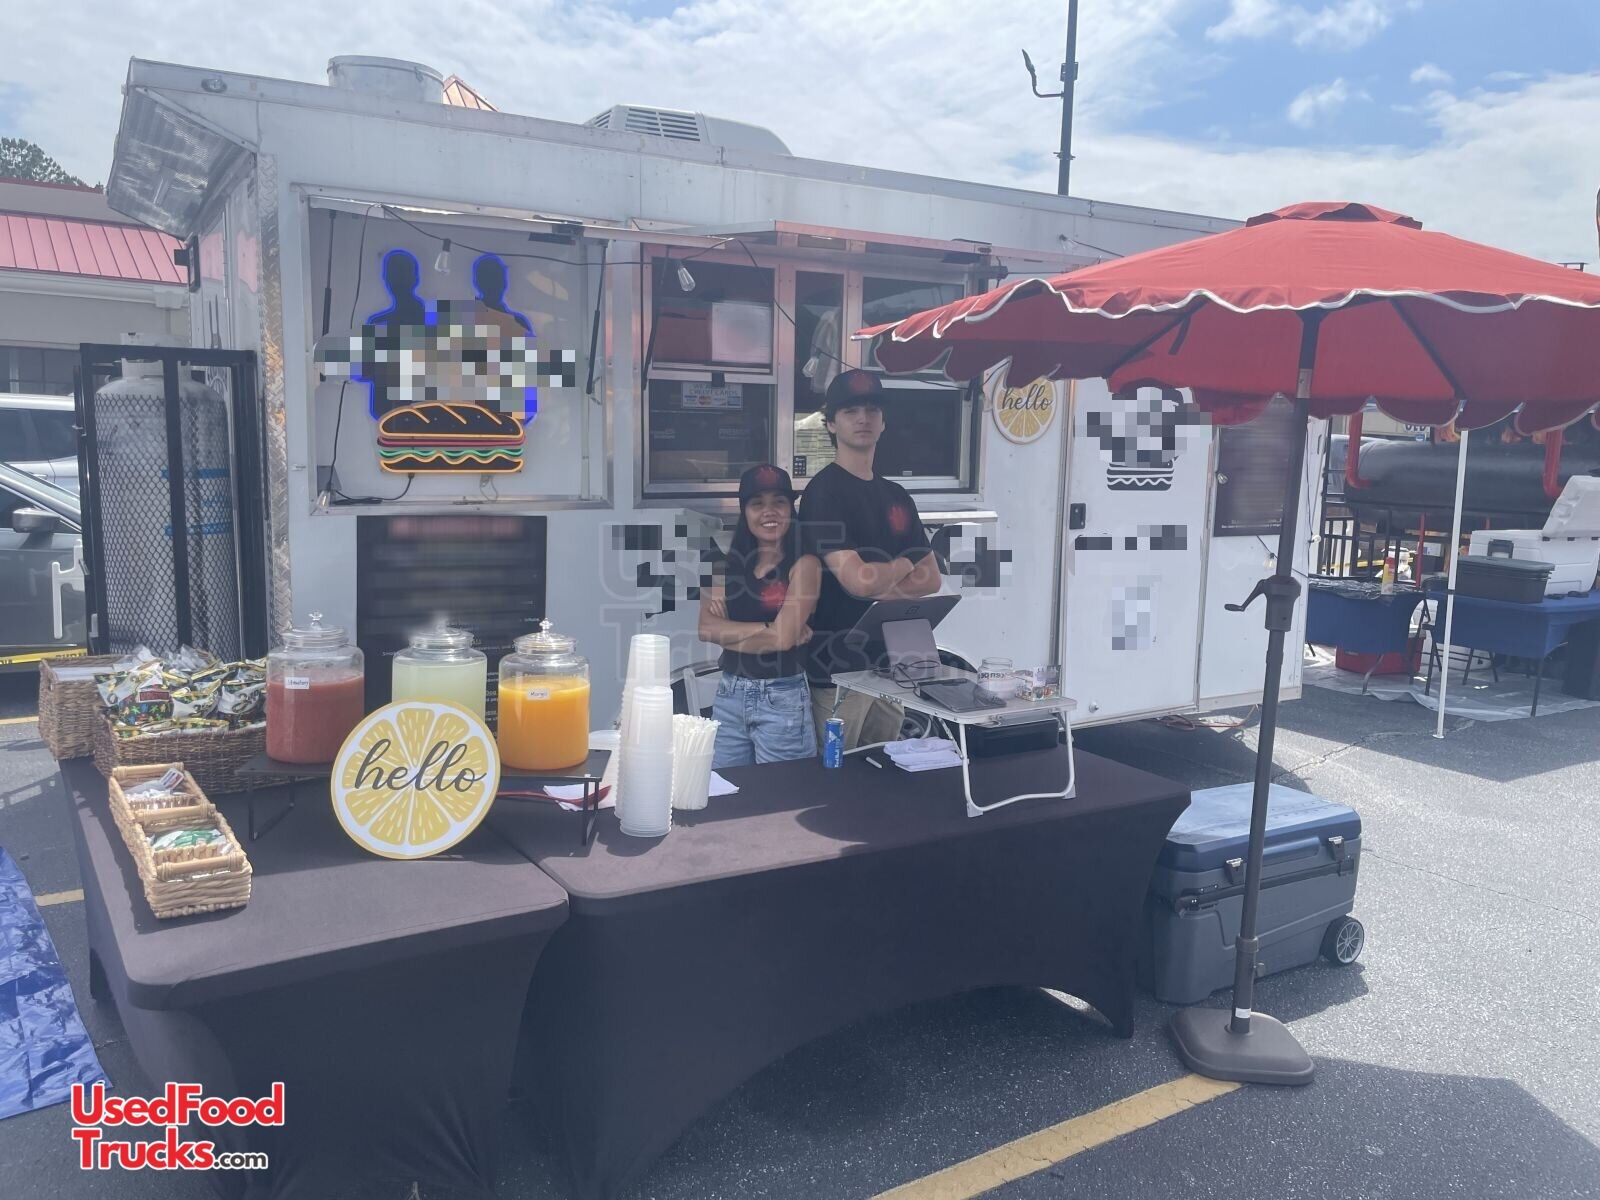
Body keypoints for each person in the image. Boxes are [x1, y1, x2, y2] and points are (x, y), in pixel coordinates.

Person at [799, 370, 942, 748]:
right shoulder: (823, 493)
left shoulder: (897, 495)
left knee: (883, 767)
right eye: (850, 411)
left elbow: (932, 579)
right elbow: (858, 581)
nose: (863, 418)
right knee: (837, 772)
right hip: (836, 670)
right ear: (831, 423)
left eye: (872, 410)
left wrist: (879, 586)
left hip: (892, 665)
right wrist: (904, 563)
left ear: (883, 422)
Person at [698, 464, 821, 767]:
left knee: (780, 792)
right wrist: (768, 627)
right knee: (726, 789)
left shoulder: (806, 564)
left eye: (779, 502)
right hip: (729, 693)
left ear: (790, 509)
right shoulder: (722, 564)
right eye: (757, 503)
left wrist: (730, 631)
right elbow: (706, 629)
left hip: (783, 696)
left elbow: (782, 640)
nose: (769, 512)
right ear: (745, 511)